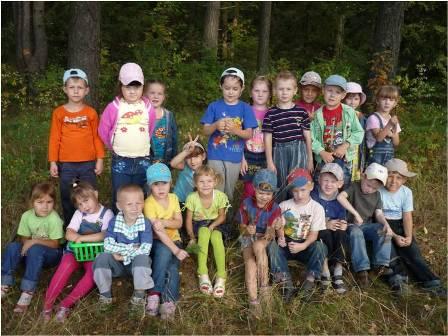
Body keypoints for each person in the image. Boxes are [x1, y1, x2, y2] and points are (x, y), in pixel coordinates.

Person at [42, 181, 114, 322]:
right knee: (65, 268)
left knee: (93, 274)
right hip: (74, 252)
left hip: (94, 254)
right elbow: (69, 234)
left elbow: (105, 234)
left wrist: (81, 238)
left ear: (96, 195)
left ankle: (65, 305)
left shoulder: (107, 213)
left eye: (86, 201)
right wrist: (77, 238)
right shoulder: (79, 214)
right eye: (80, 204)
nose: (84, 207)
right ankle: (47, 306)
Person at [380, 159, 446, 297]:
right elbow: (378, 216)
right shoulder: (378, 191)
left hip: (399, 224)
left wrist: (408, 236)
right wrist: (394, 236)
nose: (393, 181)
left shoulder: (406, 192)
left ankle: (431, 282)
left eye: (399, 178)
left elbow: (407, 216)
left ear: (404, 180)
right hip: (382, 225)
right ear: (384, 176)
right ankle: (399, 280)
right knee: (390, 252)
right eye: (390, 176)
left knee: (413, 253)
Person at [48, 68, 105, 226]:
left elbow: (97, 137)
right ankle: (70, 229)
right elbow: (54, 138)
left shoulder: (91, 113)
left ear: (86, 90)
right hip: (67, 165)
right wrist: (53, 161)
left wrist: (100, 159)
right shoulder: (59, 113)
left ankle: (91, 227)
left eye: (80, 88)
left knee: (90, 195)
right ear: (65, 89)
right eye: (72, 87)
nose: (75, 91)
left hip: (88, 164)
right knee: (68, 197)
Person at [98, 62, 156, 213]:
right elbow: (103, 130)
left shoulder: (147, 107)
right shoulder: (114, 107)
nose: (132, 91)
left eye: (136, 87)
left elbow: (150, 129)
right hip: (121, 159)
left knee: (139, 193)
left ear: (143, 87)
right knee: (120, 193)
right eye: (128, 87)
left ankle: (137, 225)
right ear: (121, 87)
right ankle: (118, 225)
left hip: (143, 159)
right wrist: (114, 146)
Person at [1, 182, 63, 313]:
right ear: (32, 202)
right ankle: (4, 284)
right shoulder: (27, 216)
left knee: (36, 248)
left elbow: (55, 243)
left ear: (54, 203)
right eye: (40, 202)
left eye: (49, 202)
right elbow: (24, 237)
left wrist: (34, 241)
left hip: (52, 255)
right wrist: (27, 244)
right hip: (32, 253)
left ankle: (27, 291)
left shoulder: (54, 219)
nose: (45, 207)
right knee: (13, 247)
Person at [92, 184, 154, 309]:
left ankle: (139, 296)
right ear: (120, 206)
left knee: (142, 258)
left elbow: (145, 249)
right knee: (102, 257)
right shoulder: (114, 222)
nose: (135, 208)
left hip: (136, 266)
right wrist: (132, 248)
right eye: (129, 204)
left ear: (143, 204)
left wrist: (122, 254)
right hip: (117, 265)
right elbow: (108, 245)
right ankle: (105, 295)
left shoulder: (145, 223)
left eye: (138, 203)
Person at [200, 67, 258, 201]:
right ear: (221, 86)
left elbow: (249, 134)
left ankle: (227, 216)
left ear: (242, 88)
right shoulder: (214, 106)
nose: (231, 92)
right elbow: (205, 130)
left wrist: (235, 130)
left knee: (228, 190)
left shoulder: (245, 108)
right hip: (215, 154)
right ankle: (215, 216)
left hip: (234, 155)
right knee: (216, 187)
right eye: (227, 88)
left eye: (235, 89)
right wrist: (216, 125)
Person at [272, 168, 327, 300]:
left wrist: (304, 246)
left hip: (305, 244)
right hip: (287, 243)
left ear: (311, 187)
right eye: (295, 191)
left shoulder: (316, 208)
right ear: (291, 191)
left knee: (320, 247)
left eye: (303, 190)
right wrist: (280, 237)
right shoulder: (284, 205)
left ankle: (310, 281)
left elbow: (314, 234)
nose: (299, 195)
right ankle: (285, 282)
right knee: (272, 247)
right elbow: (279, 225)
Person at [337, 163, 393, 288]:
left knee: (382, 229)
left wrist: (386, 224)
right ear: (363, 176)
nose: (370, 189)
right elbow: (340, 197)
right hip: (351, 225)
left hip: (367, 225)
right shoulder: (354, 187)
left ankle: (380, 265)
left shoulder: (377, 195)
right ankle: (361, 270)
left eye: (374, 188)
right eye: (368, 185)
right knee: (356, 232)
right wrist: (355, 214)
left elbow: (378, 213)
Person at [144, 163, 188, 319]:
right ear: (150, 185)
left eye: (164, 183)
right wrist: (176, 250)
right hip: (157, 242)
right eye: (156, 184)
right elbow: (158, 232)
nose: (161, 188)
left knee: (173, 267)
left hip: (174, 239)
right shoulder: (149, 203)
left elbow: (179, 223)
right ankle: (154, 294)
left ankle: (169, 301)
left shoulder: (174, 198)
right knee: (163, 252)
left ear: (170, 183)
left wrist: (164, 222)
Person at [236, 169, 282, 314]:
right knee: (250, 264)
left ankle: (264, 288)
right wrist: (247, 230)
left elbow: (270, 233)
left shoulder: (275, 208)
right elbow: (241, 229)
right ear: (254, 189)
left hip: (264, 238)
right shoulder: (246, 204)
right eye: (261, 193)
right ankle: (253, 301)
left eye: (268, 194)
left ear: (273, 194)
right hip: (248, 237)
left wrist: (273, 229)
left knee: (258, 246)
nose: (264, 197)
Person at [262, 71, 313, 201]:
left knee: (297, 180)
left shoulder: (301, 112)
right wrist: (269, 161)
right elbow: (267, 138)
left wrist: (310, 159)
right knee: (281, 182)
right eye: (281, 89)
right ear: (274, 91)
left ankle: (298, 211)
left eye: (288, 89)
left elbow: (307, 136)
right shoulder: (271, 114)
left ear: (295, 90)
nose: (284, 93)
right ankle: (280, 212)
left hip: (298, 149)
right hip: (279, 150)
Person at [311, 74, 365, 189]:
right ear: (323, 91)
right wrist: (321, 152)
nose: (332, 95)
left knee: (342, 187)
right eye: (329, 90)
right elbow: (311, 138)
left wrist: (345, 146)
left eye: (337, 92)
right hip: (324, 159)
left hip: (344, 159)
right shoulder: (317, 115)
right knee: (322, 187)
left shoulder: (349, 112)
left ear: (343, 95)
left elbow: (359, 132)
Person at [185, 166, 230, 298]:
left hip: (217, 223)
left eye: (209, 181)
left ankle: (222, 276)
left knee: (216, 236)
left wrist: (212, 226)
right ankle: (203, 272)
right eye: (201, 182)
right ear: (195, 183)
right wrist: (192, 238)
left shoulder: (221, 196)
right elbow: (188, 220)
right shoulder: (192, 197)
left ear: (215, 182)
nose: (205, 185)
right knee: (204, 232)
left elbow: (222, 216)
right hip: (198, 225)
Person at [311, 163, 348, 294]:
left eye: (333, 181)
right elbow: (311, 214)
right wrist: (325, 223)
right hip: (319, 228)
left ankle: (338, 269)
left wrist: (342, 224)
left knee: (341, 232)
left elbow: (342, 216)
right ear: (319, 180)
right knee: (324, 233)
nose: (329, 184)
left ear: (339, 184)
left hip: (334, 229)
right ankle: (325, 268)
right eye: (326, 180)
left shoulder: (340, 198)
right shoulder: (314, 195)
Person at [240, 76, 272, 199]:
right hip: (248, 155)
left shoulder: (272, 112)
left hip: (265, 156)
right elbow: (238, 136)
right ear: (250, 92)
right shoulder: (244, 110)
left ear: (270, 94)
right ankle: (245, 215)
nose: (260, 94)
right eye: (256, 91)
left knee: (263, 187)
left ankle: (260, 216)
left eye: (264, 91)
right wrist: (241, 158)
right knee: (249, 189)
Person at [145, 80, 178, 165]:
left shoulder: (169, 115)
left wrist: (174, 159)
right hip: (145, 162)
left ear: (164, 97)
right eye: (152, 93)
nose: (156, 96)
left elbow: (174, 138)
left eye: (160, 94)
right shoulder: (142, 114)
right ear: (145, 95)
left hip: (165, 162)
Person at [366, 85, 401, 166]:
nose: (387, 102)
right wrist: (389, 125)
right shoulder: (373, 118)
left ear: (395, 103)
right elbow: (379, 138)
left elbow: (396, 143)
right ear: (378, 100)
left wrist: (393, 133)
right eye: (384, 99)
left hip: (389, 158)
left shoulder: (393, 120)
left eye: (391, 100)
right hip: (375, 158)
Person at [170, 135, 207, 205]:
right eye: (189, 157)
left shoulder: (205, 171)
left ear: (203, 156)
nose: (192, 161)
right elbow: (173, 164)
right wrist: (186, 152)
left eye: (196, 156)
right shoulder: (185, 166)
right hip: (178, 201)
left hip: (194, 203)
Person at [342, 82, 367, 182]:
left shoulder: (360, 116)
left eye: (356, 99)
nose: (353, 102)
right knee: (342, 174)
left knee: (353, 176)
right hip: (343, 149)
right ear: (343, 98)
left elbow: (362, 137)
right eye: (349, 98)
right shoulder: (340, 113)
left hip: (356, 150)